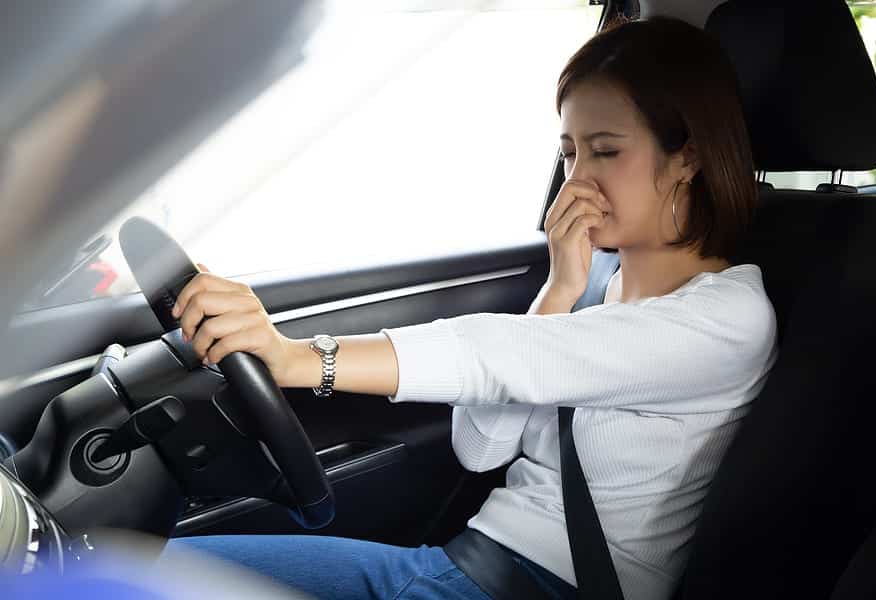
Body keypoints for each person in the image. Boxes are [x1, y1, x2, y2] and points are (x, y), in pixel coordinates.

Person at [165, 14, 779, 600]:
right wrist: (560, 289)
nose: (578, 180)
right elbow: (481, 448)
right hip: (461, 570)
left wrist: (297, 358)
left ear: (688, 158)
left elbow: (494, 355)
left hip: (548, 588)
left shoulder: (727, 319)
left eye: (606, 151)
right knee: (154, 569)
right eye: (570, 153)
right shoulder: (600, 286)